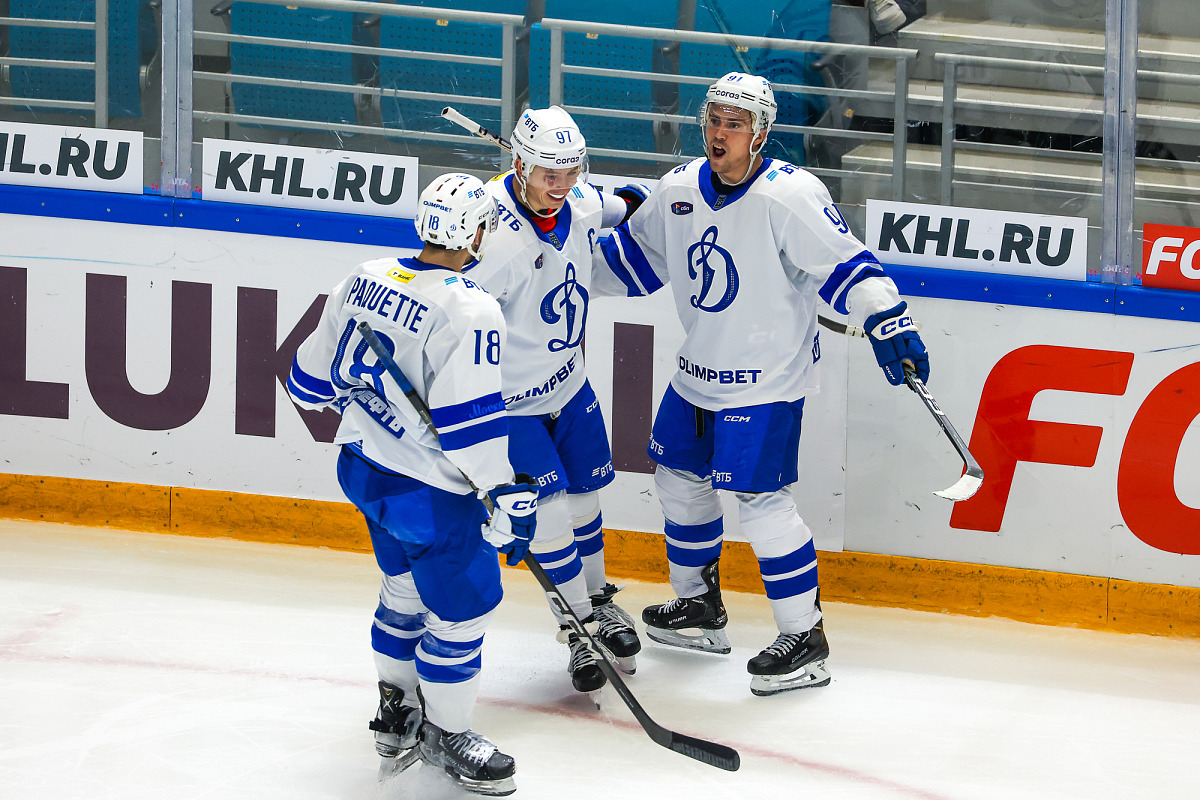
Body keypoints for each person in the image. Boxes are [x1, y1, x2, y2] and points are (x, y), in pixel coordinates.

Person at [597, 72, 930, 696]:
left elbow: (845, 264)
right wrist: (557, 256)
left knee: (761, 504)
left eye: (735, 124)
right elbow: (635, 264)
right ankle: (698, 608)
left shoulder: (790, 194)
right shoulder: (678, 189)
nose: (719, 133)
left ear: (760, 134)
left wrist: (888, 319)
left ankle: (805, 638)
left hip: (766, 383)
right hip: (695, 375)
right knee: (677, 481)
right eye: (713, 120)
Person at [287, 172, 538, 795]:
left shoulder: (364, 276)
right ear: (474, 233)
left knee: (402, 588)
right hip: (428, 493)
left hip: (362, 469)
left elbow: (308, 384)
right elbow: (469, 427)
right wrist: (504, 492)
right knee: (461, 611)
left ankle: (396, 713)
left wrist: (380, 416)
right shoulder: (471, 307)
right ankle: (447, 734)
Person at [466, 106, 649, 695]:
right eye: (550, 173)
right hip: (510, 405)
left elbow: (626, 201)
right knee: (547, 517)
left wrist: (661, 197)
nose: (562, 184)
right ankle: (577, 628)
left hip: (569, 387)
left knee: (585, 500)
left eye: (572, 171)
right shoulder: (490, 238)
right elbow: (451, 316)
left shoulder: (581, 201)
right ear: (520, 165)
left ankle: (597, 600)